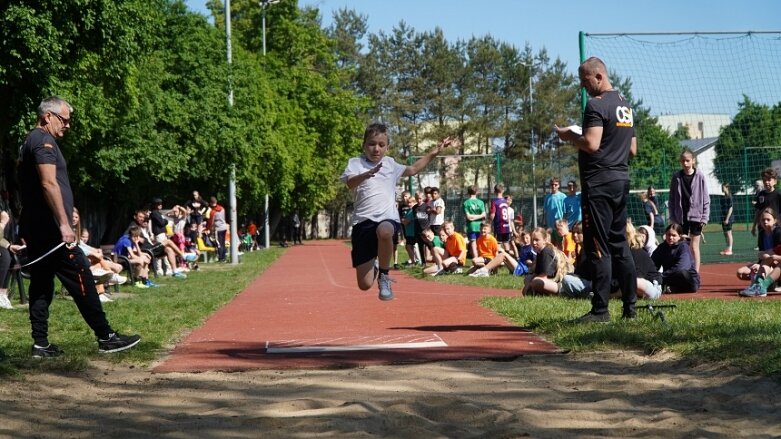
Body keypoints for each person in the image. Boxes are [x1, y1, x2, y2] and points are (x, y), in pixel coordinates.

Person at [17, 96, 140, 357]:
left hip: (36, 226)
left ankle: (40, 344)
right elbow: (48, 184)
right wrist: (63, 223)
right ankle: (106, 336)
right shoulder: (43, 141)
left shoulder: (31, 139)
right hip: (50, 230)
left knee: (41, 284)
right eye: (64, 120)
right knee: (81, 274)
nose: (68, 126)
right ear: (47, 116)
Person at [554, 57, 638, 322]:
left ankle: (600, 310)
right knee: (620, 244)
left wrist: (569, 136)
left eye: (585, 81)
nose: (583, 87)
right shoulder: (625, 106)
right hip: (621, 180)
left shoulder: (596, 105)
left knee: (599, 246)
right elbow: (632, 150)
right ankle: (629, 309)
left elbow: (591, 144)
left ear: (598, 76)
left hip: (599, 184)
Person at [340, 122, 453, 300]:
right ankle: (376, 265)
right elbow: (350, 183)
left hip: (387, 217)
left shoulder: (390, 164)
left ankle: (384, 275)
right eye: (371, 144)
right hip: (362, 223)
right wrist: (366, 174)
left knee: (385, 231)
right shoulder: (355, 163)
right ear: (364, 145)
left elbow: (414, 169)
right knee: (365, 284)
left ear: (387, 147)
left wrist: (435, 151)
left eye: (381, 145)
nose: (376, 148)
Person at [668, 149, 710, 273]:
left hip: (696, 217)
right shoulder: (676, 177)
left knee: (694, 246)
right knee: (682, 245)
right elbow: (672, 198)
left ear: (693, 161)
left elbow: (706, 198)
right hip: (681, 217)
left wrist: (704, 217)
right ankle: (683, 270)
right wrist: (673, 217)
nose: (685, 163)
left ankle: (695, 273)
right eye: (683, 161)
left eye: (687, 161)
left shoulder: (700, 176)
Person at [737, 207, 781, 297]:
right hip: (770, 262)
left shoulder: (778, 233)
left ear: (775, 220)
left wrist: (773, 257)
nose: (765, 222)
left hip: (776, 264)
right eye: (763, 219)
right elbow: (765, 253)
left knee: (771, 260)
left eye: (768, 219)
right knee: (741, 272)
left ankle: (764, 285)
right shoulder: (762, 234)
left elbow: (772, 255)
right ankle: (758, 286)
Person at [652, 223, 700, 293]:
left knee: (682, 273)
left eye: (674, 235)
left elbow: (682, 267)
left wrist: (662, 276)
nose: (670, 237)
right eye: (668, 235)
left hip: (688, 280)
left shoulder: (684, 247)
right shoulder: (661, 247)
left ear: (679, 236)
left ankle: (670, 287)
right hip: (669, 277)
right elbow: (653, 264)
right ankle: (670, 288)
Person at [750, 168, 781, 236]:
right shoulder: (761, 194)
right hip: (762, 226)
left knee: (776, 246)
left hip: (776, 227)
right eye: (764, 180)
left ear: (775, 181)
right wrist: (754, 226)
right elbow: (758, 211)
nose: (766, 182)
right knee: (763, 245)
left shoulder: (778, 195)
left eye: (769, 180)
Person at [463, 185, 487, 261]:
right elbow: (483, 215)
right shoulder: (481, 202)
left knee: (473, 243)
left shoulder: (466, 203)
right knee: (480, 243)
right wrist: (479, 216)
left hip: (471, 226)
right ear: (477, 192)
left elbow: (469, 217)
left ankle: (476, 260)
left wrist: (473, 218)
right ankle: (481, 259)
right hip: (480, 226)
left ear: (468, 192)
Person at [489, 184, 513, 254]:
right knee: (506, 243)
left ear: (494, 191)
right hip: (506, 226)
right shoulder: (505, 201)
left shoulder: (494, 201)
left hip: (499, 226)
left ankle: (499, 260)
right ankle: (507, 259)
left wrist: (490, 222)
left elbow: (493, 214)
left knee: (498, 244)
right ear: (503, 191)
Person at [207, 196, 228, 262]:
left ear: (211, 203)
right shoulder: (222, 208)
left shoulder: (213, 212)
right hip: (224, 227)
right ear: (216, 201)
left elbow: (211, 222)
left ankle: (221, 258)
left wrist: (208, 229)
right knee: (223, 243)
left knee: (219, 244)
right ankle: (224, 257)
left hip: (218, 228)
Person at [720, 183, 734, 256]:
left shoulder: (729, 197)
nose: (722, 189)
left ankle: (730, 249)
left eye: (723, 187)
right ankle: (727, 248)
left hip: (728, 218)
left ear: (727, 187)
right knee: (725, 233)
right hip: (723, 217)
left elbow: (730, 208)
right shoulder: (723, 197)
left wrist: (727, 219)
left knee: (729, 233)